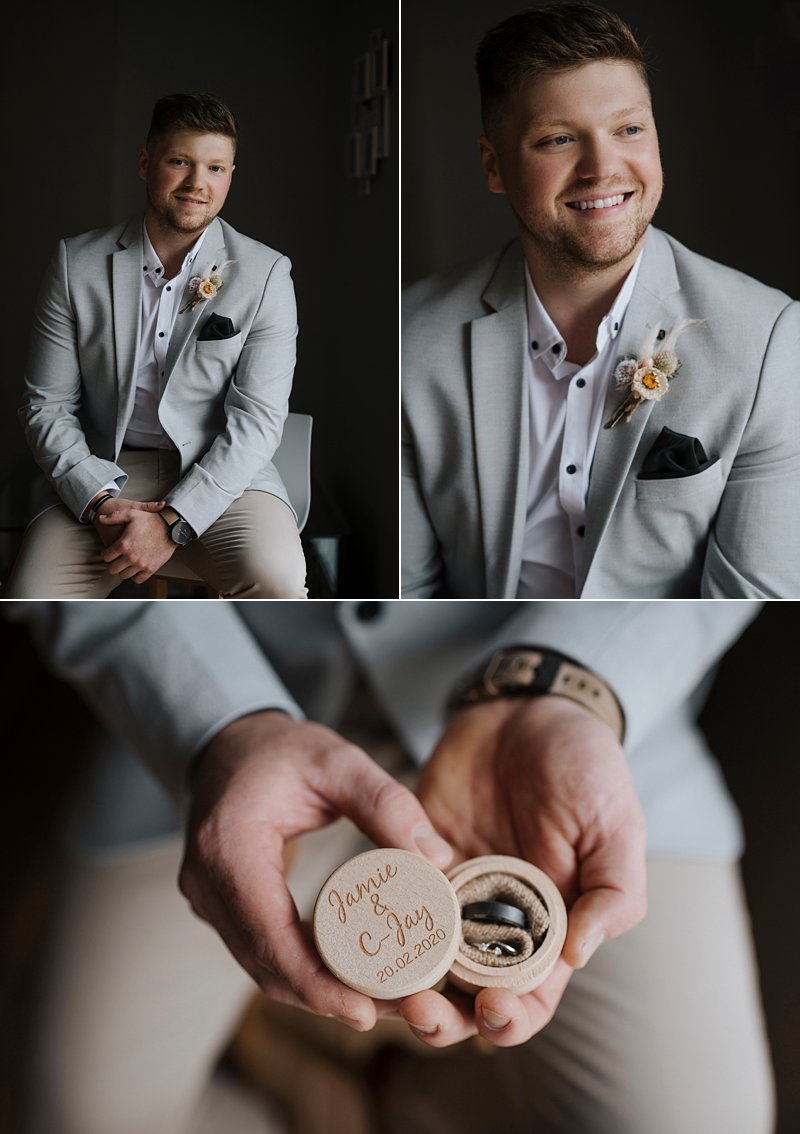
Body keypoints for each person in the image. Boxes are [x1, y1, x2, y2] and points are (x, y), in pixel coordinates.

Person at [5, 600, 774, 1134]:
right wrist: (215, 720)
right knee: (68, 1116)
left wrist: (568, 689)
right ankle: (314, 1059)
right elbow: (56, 505)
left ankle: (391, 1086)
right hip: (221, 725)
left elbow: (736, 524)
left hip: (564, 742)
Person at [401, 3, 800, 598]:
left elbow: (755, 599)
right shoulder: (411, 337)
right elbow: (409, 593)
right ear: (494, 166)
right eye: (558, 139)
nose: (603, 167)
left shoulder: (769, 340)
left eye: (628, 129)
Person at [5, 92, 306, 599]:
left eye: (215, 167)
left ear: (231, 175)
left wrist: (170, 521)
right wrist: (97, 498)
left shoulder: (267, 274)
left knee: (276, 580)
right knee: (30, 599)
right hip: (104, 473)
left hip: (221, 474)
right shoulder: (74, 263)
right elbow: (46, 406)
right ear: (146, 164)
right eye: (180, 162)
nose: (197, 184)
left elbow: (258, 420)